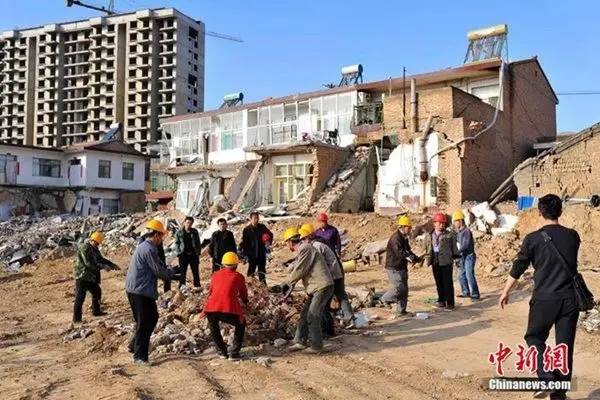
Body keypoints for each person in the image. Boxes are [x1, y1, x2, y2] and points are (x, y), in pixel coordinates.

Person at [499, 194, 580, 400]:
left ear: (540, 212)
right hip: (569, 300)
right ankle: (559, 394)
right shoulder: (573, 236)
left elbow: (519, 266)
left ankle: (545, 378)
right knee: (564, 347)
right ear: (560, 212)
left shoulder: (533, 239)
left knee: (534, 337)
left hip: (545, 298)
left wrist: (506, 291)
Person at [125, 220, 179, 365]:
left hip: (137, 289)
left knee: (149, 319)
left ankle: (134, 346)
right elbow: (158, 270)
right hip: (140, 291)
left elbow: (158, 268)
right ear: (155, 235)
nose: (162, 239)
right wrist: (172, 273)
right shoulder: (148, 249)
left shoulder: (144, 246)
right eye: (161, 236)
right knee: (146, 321)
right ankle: (140, 357)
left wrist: (170, 272)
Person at [282, 227, 334, 354]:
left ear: (289, 241)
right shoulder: (304, 250)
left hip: (321, 287)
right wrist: (289, 287)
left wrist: (288, 283)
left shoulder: (305, 248)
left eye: (287, 242)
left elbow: (300, 270)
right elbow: (299, 268)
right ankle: (300, 340)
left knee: (313, 315)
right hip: (315, 288)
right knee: (305, 315)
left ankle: (317, 346)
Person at [299, 223, 354, 325]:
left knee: (333, 297)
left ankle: (335, 322)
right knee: (337, 296)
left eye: (303, 239)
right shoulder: (318, 244)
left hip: (332, 275)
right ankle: (343, 319)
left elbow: (319, 265)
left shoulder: (317, 247)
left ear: (308, 237)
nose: (302, 242)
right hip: (335, 273)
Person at [202, 251, 248, 361]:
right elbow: (243, 294)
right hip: (227, 308)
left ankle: (222, 352)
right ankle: (234, 353)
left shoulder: (215, 275)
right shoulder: (239, 277)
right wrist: (245, 302)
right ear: (236, 265)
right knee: (241, 323)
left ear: (223, 264)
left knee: (214, 327)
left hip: (211, 308)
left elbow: (211, 292)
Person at [73, 231, 118, 323]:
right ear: (92, 240)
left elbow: (100, 259)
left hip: (91, 277)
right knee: (80, 297)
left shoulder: (94, 248)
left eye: (98, 243)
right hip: (82, 276)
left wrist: (111, 264)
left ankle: (96, 311)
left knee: (97, 292)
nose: (97, 244)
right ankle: (76, 319)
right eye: (96, 243)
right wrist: (103, 266)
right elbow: (89, 263)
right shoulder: (84, 248)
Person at [381, 215, 420, 316]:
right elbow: (400, 253)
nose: (410, 229)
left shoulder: (404, 238)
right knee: (398, 288)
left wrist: (416, 258)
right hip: (393, 267)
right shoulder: (395, 238)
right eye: (409, 227)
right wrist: (411, 258)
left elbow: (408, 251)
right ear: (403, 227)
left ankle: (401, 311)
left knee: (404, 290)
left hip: (402, 267)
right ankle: (384, 299)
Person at [424, 213, 459, 311]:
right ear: (434, 223)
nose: (442, 225)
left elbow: (454, 248)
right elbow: (426, 248)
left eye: (443, 223)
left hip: (446, 261)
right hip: (435, 260)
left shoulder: (449, 235)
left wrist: (456, 257)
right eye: (440, 223)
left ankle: (450, 303)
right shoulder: (429, 235)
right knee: (439, 282)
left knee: (447, 283)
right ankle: (441, 301)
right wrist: (427, 259)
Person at [452, 210, 480, 300]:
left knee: (469, 275)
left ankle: (475, 294)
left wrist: (457, 252)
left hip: (469, 256)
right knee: (461, 275)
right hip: (462, 256)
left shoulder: (466, 232)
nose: (454, 224)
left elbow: (465, 244)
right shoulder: (458, 233)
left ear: (460, 221)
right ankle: (465, 292)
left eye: (455, 222)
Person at [240, 212, 273, 284]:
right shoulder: (247, 230)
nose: (256, 219)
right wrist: (244, 255)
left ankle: (263, 286)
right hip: (252, 254)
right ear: (250, 219)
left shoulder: (262, 227)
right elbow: (245, 243)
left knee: (262, 271)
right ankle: (249, 286)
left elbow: (270, 234)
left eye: (257, 218)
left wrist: (268, 241)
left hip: (261, 253)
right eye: (255, 218)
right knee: (251, 272)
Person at [174, 216, 202, 289]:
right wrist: (179, 252)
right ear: (184, 222)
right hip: (183, 255)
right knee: (183, 272)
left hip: (193, 254)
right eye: (187, 222)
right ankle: (182, 287)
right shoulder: (179, 232)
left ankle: (197, 286)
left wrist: (198, 252)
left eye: (190, 223)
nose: (189, 224)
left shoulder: (194, 232)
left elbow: (198, 242)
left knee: (195, 271)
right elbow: (176, 243)